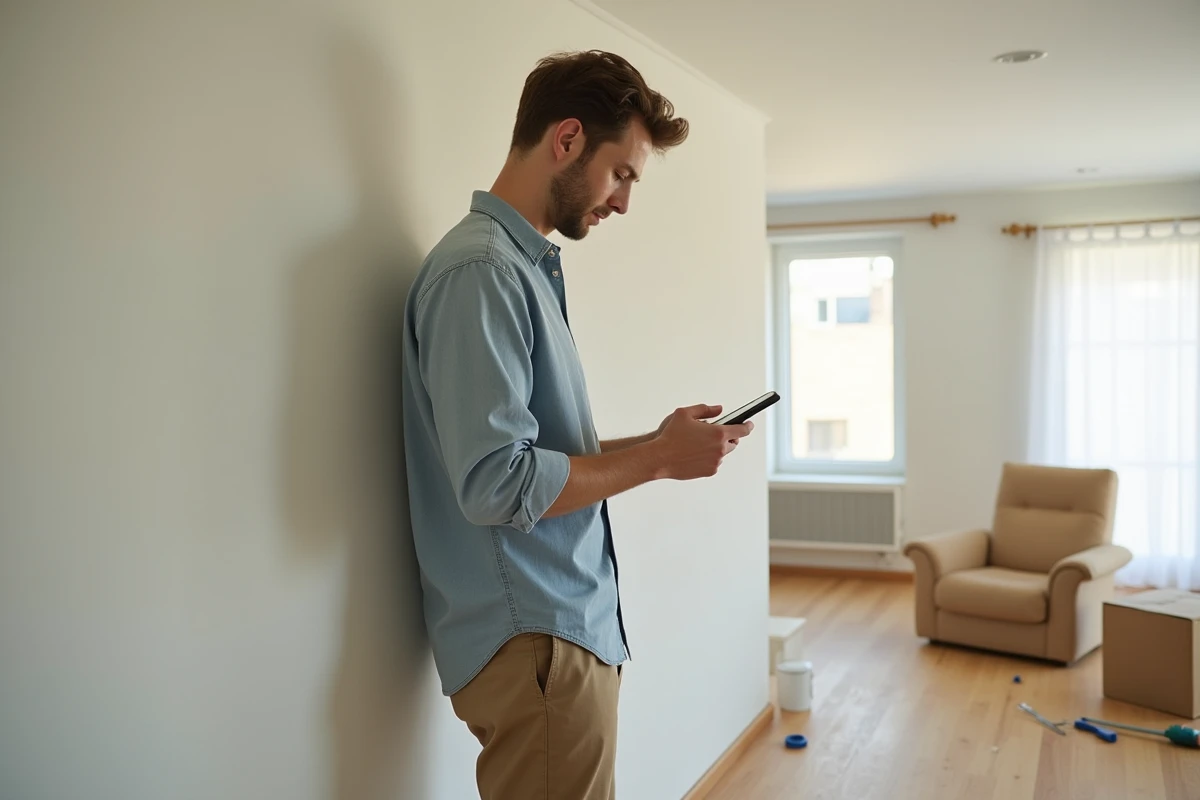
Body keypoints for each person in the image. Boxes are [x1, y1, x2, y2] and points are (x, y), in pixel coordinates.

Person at [400, 49, 755, 799]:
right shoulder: (483, 272)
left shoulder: (517, 267)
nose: (623, 202)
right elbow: (498, 483)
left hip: (553, 636)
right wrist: (659, 460)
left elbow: (538, 454)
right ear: (567, 140)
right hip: (538, 639)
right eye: (621, 173)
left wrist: (660, 444)